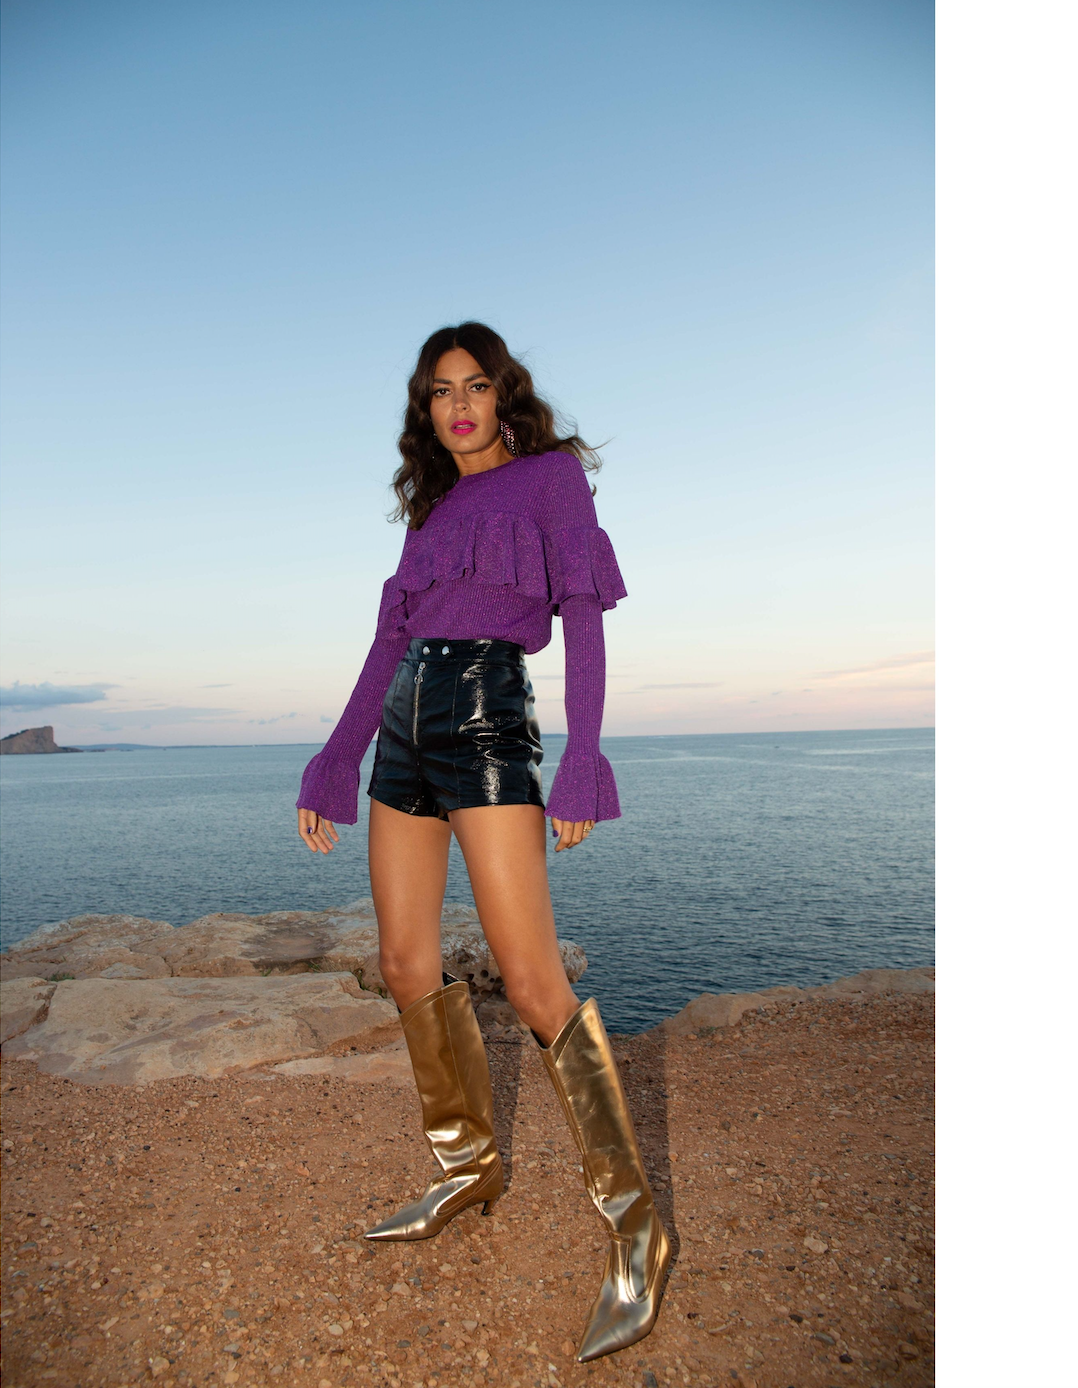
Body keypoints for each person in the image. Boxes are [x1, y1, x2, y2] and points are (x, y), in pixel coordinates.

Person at [293, 321, 673, 1362]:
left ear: (505, 395)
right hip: (407, 724)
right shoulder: (435, 509)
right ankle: (467, 1166)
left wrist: (585, 759)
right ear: (426, 411)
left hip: (487, 717)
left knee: (533, 980)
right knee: (406, 961)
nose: (458, 405)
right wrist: (336, 758)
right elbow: (387, 642)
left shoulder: (548, 481)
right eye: (438, 392)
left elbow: (586, 617)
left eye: (475, 386)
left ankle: (637, 1231)